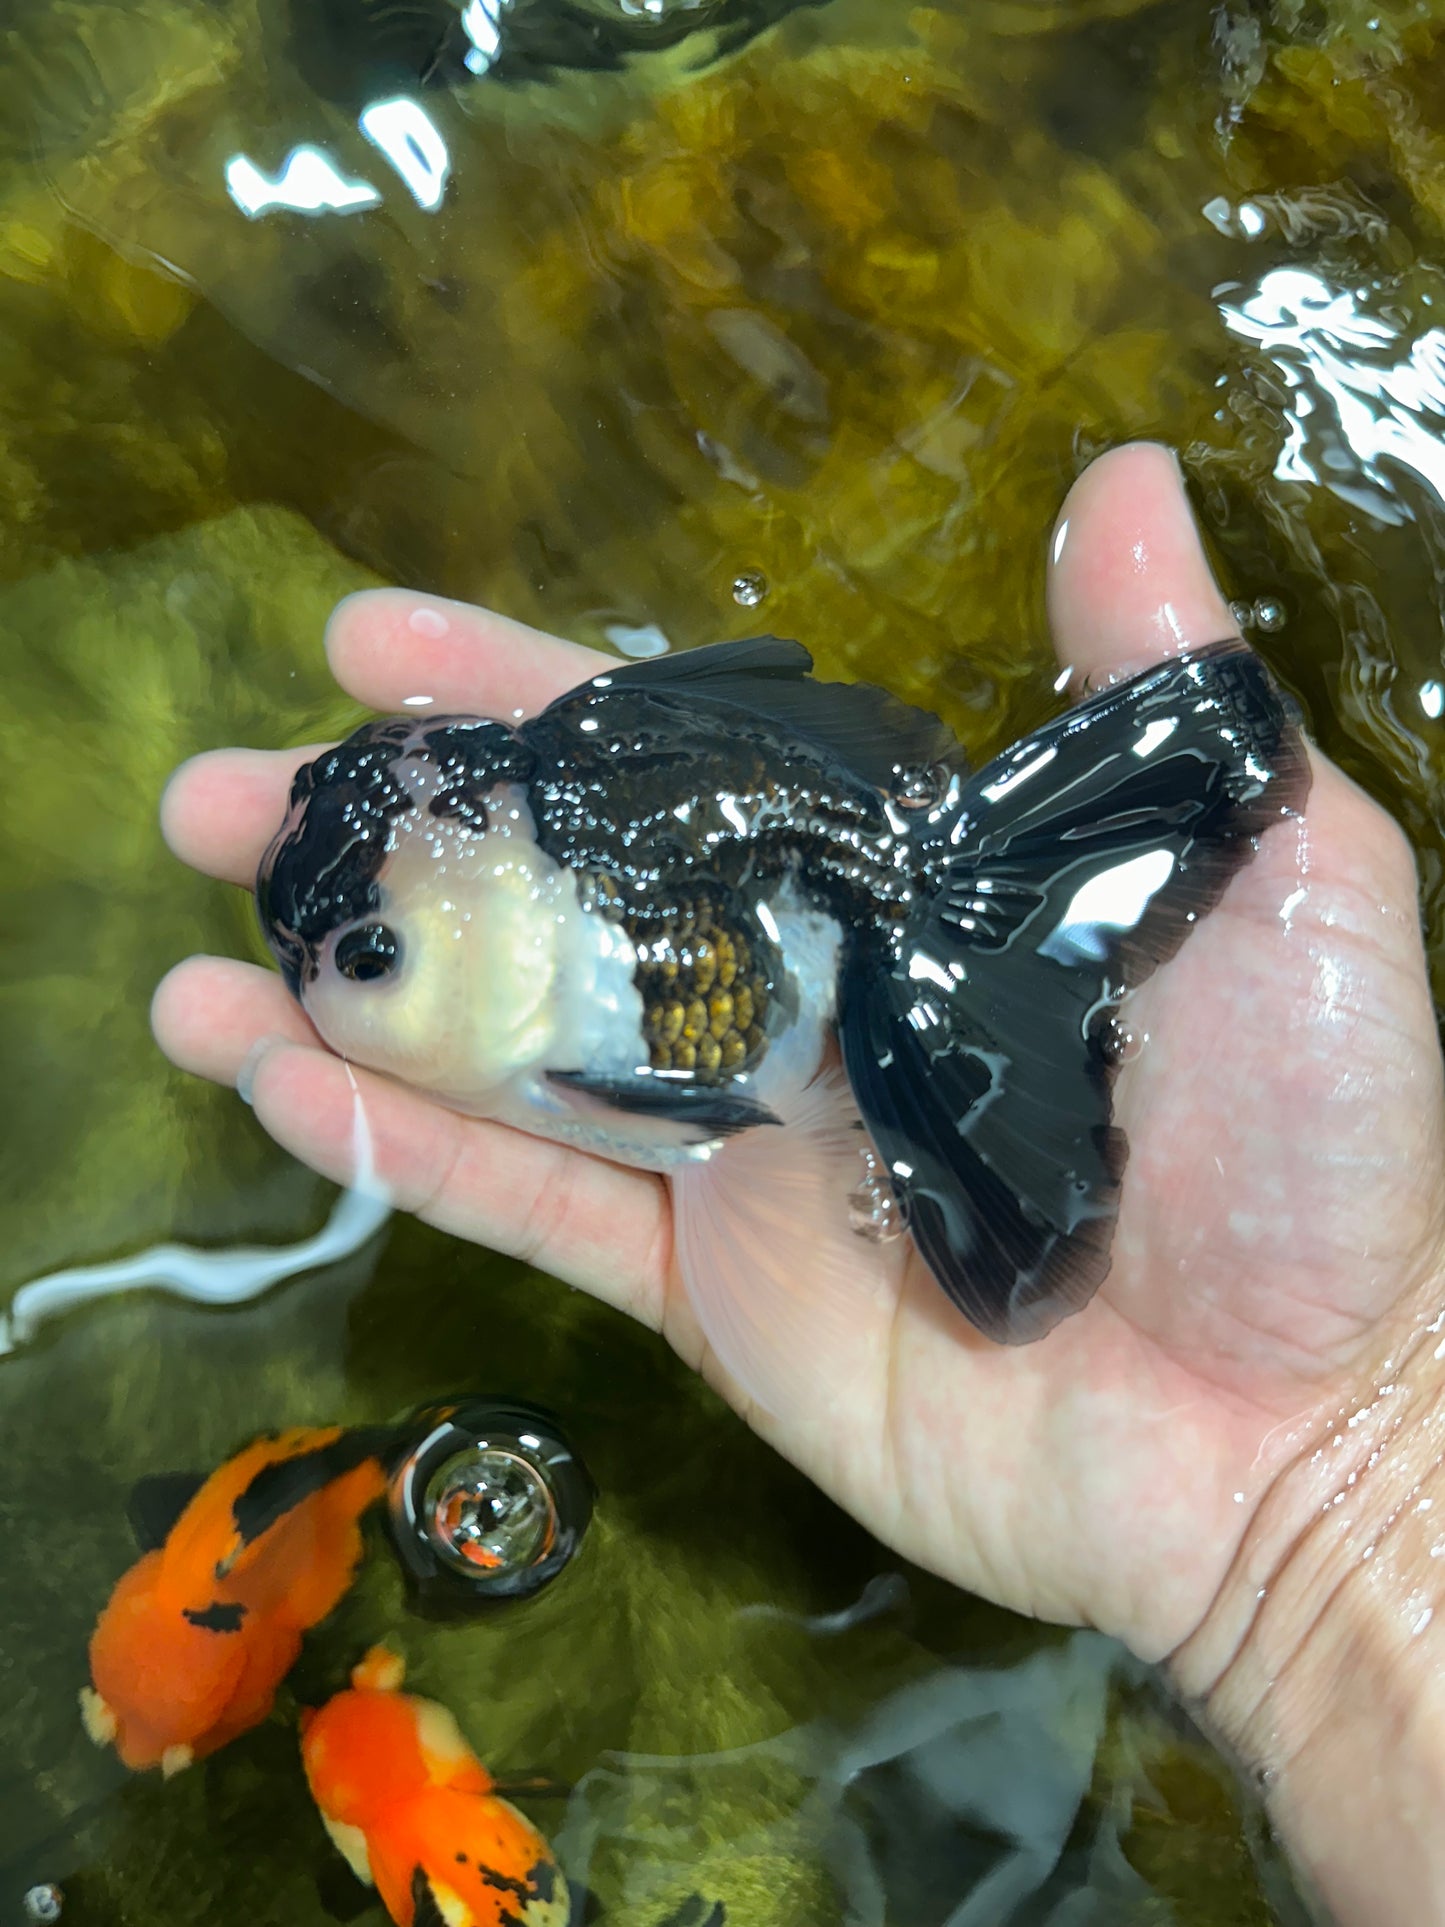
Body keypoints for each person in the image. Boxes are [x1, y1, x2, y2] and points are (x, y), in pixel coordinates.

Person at [152, 442, 1445, 1920]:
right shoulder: (557, 803)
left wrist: (1371, 1454)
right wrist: (1367, 1481)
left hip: (829, 943)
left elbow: (733, 1145)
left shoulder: (626, 968)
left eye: (372, 959)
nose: (327, 987)